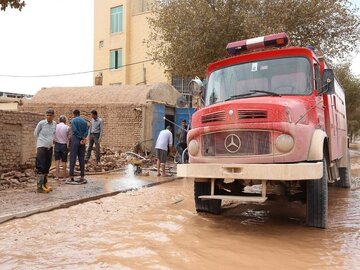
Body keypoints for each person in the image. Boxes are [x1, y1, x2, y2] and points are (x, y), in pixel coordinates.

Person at [34, 108, 56, 193]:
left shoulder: (54, 124)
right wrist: (39, 144)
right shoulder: (41, 123)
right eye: (47, 115)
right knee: (41, 166)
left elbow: (53, 134)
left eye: (50, 115)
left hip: (49, 147)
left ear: (53, 116)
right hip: (41, 147)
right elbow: (36, 134)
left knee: (47, 166)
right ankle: (39, 187)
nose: (49, 117)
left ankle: (44, 184)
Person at [68, 109, 88, 184]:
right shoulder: (84, 121)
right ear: (79, 114)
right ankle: (82, 176)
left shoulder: (73, 121)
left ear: (74, 114)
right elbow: (87, 131)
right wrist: (83, 138)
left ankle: (71, 176)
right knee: (81, 158)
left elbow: (75, 131)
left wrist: (79, 137)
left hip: (75, 140)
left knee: (73, 158)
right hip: (82, 141)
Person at [54, 115, 70, 181]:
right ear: (65, 121)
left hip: (57, 145)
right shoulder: (67, 127)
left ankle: (57, 176)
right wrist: (68, 146)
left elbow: (53, 136)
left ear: (59, 120)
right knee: (64, 161)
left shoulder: (55, 127)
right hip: (64, 145)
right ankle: (64, 177)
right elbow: (68, 138)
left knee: (57, 161)